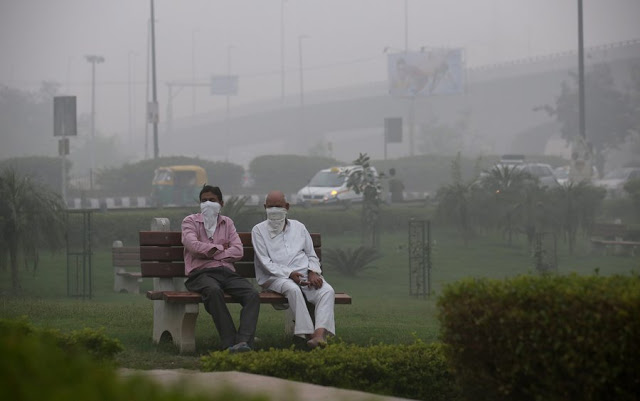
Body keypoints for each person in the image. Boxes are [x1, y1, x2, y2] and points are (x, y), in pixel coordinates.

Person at [251, 190, 335, 349]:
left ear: (287, 207)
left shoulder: (299, 227)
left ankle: (319, 335)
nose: (274, 210)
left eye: (278, 206)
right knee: (293, 289)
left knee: (327, 290)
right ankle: (308, 335)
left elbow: (311, 255)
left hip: (304, 275)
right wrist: (289, 274)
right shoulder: (258, 230)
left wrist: (313, 272)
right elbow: (265, 262)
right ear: (265, 207)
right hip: (275, 277)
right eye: (271, 206)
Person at [181, 184, 260, 352]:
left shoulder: (227, 223)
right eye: (204, 201)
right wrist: (221, 248)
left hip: (227, 272)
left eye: (212, 200)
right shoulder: (190, 221)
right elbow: (192, 245)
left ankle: (244, 341)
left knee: (252, 294)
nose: (208, 204)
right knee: (214, 291)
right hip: (201, 275)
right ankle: (230, 343)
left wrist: (210, 251)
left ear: (221, 203)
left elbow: (238, 251)